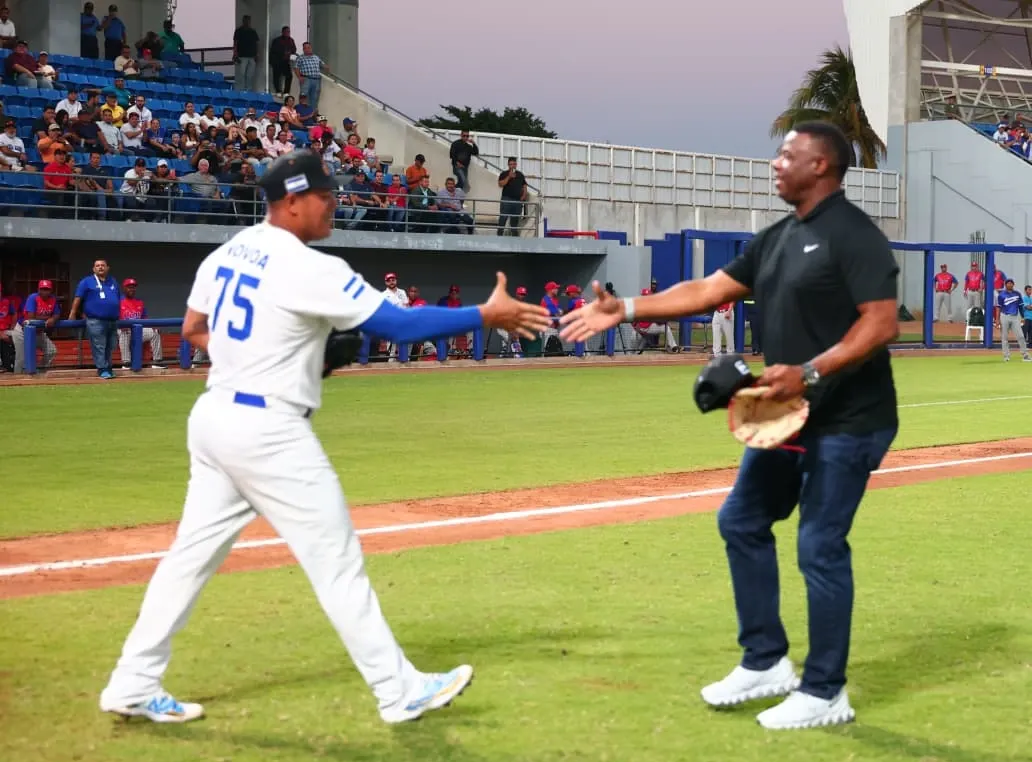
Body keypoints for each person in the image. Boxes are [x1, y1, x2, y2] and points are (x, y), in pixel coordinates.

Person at [97, 151, 551, 725]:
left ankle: (133, 682)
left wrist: (275, 355)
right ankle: (397, 688)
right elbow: (397, 326)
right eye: (322, 195)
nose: (333, 201)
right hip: (268, 432)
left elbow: (194, 331)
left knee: (188, 559)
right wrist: (484, 315)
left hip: (215, 419)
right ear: (291, 202)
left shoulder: (226, 251)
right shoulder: (310, 267)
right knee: (336, 562)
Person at [561, 121, 902, 730]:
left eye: (787, 155)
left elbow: (879, 325)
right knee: (741, 520)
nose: (775, 164)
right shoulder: (776, 238)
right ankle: (766, 661)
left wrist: (813, 373)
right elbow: (705, 289)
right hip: (788, 412)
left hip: (850, 418)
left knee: (820, 544)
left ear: (821, 166)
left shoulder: (855, 235)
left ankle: (826, 692)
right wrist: (626, 309)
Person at [69, 259, 122, 379]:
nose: (100, 267)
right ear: (94, 269)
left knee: (111, 345)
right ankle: (102, 369)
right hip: (95, 320)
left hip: (112, 320)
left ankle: (108, 367)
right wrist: (73, 313)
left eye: (103, 265)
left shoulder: (113, 282)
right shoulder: (87, 282)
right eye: (97, 266)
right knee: (99, 345)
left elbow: (118, 299)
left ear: (107, 268)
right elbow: (78, 298)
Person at [994, 277, 1032, 362]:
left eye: (1011, 283)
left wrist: (1023, 317)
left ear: (1013, 284)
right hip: (1004, 316)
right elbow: (998, 308)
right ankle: (1006, 356)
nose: (1010, 284)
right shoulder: (1001, 295)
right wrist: (997, 320)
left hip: (1015, 317)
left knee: (1021, 336)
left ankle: (1025, 355)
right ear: (1005, 284)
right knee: (1004, 337)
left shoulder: (1017, 294)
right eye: (1008, 283)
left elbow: (1021, 307)